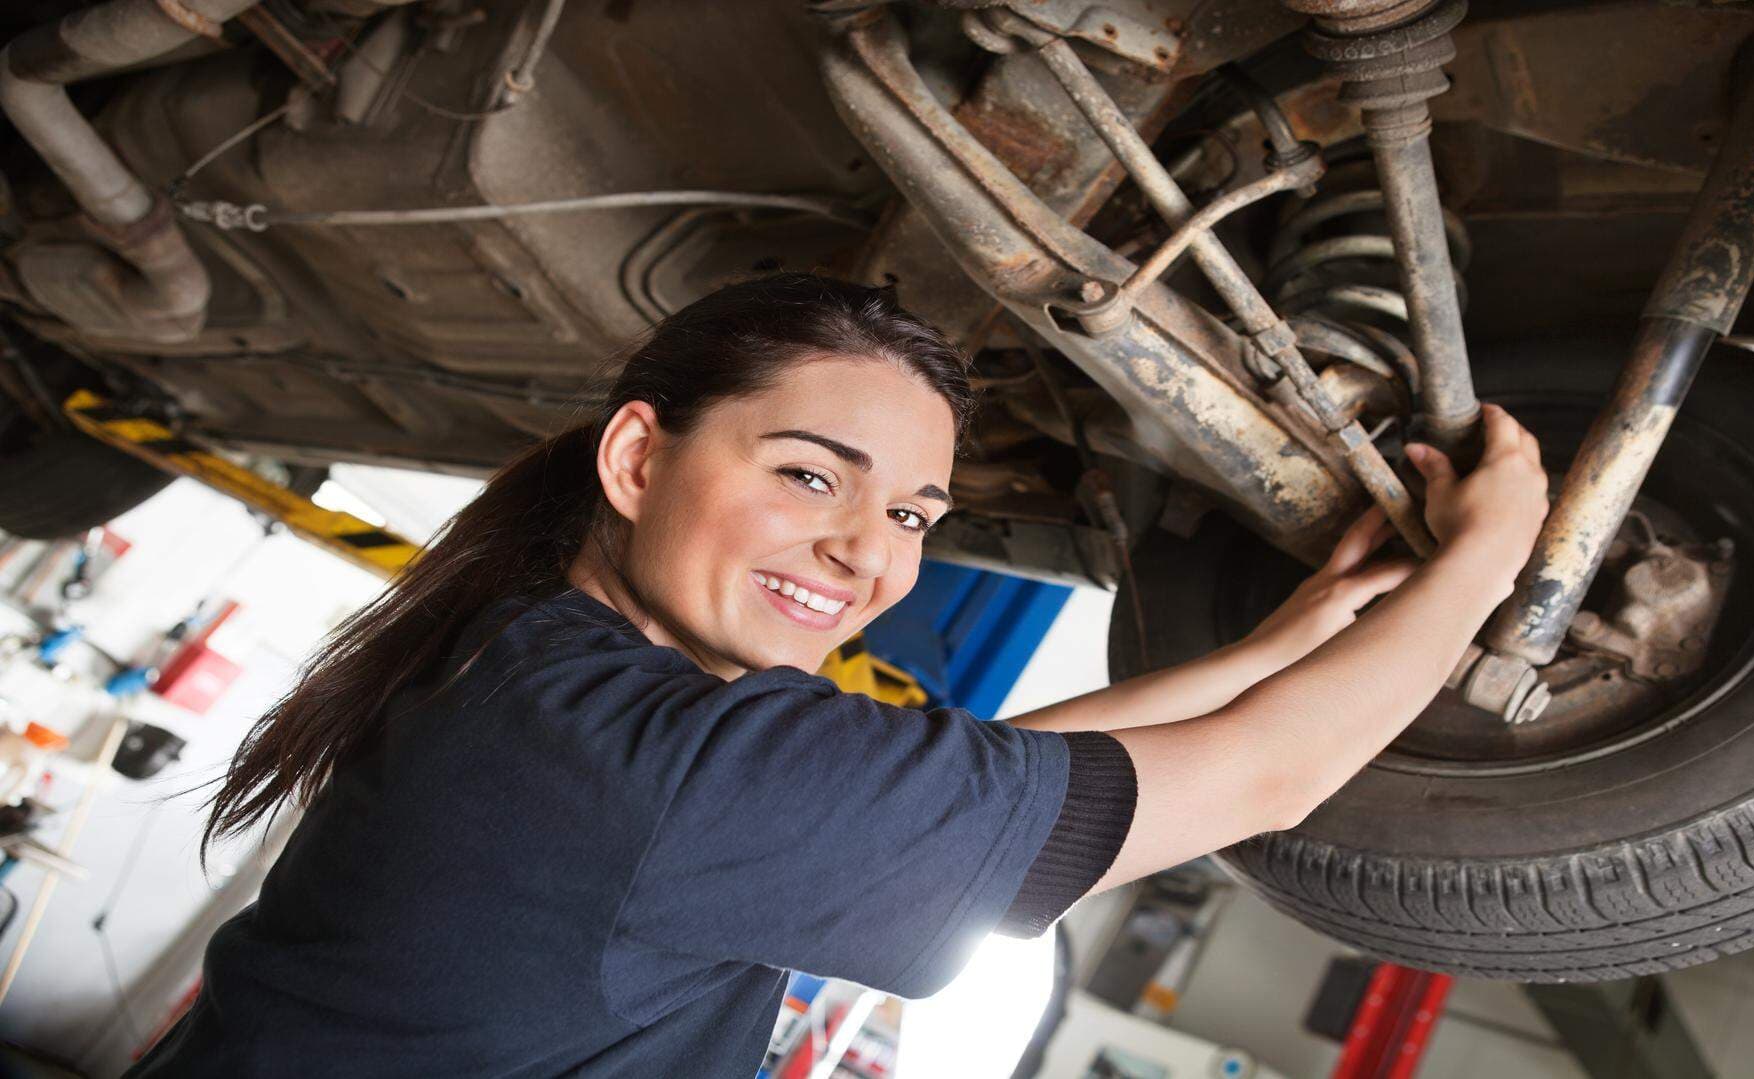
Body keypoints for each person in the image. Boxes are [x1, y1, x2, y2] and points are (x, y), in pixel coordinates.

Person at [127, 272, 1547, 1077]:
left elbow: (974, 773)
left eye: (918, 517)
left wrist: (1285, 643)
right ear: (637, 458)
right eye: (812, 475)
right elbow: (1271, 774)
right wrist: (1488, 565)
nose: (870, 558)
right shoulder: (657, 764)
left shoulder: (538, 672)